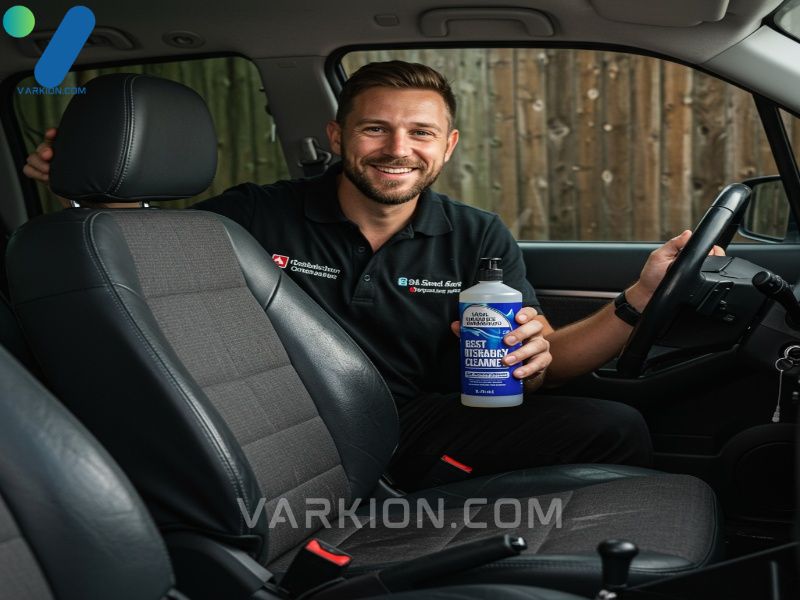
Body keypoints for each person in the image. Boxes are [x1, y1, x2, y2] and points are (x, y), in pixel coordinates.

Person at [23, 61, 723, 490]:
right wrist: (91, 194)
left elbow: (535, 371)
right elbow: (143, 261)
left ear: (446, 146)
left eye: (420, 133)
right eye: (374, 129)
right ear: (336, 137)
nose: (397, 149)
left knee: (616, 427)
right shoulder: (253, 217)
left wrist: (637, 297)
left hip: (413, 422)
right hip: (281, 428)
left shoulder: (476, 234)